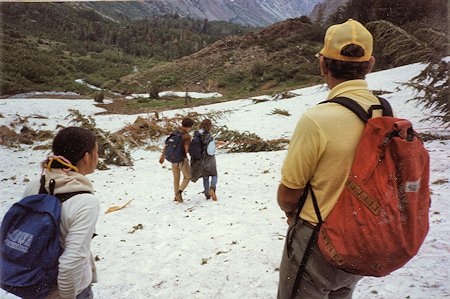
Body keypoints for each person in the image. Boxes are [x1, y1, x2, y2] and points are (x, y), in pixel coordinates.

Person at [277, 19, 380, 298]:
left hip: (318, 240)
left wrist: (290, 214)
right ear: (370, 64)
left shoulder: (317, 119)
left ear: (323, 65)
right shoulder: (385, 112)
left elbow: (289, 193)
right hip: (364, 238)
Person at [22, 127, 100, 299]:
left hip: (33, 282)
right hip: (68, 290)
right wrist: (66, 295)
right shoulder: (85, 201)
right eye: (96, 152)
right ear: (87, 157)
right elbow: (72, 260)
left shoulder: (36, 184)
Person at [159, 117, 194, 202]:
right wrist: (186, 158)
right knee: (188, 177)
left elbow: (167, 145)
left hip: (172, 159)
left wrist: (162, 156)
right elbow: (186, 148)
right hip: (181, 159)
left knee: (176, 178)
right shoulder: (186, 136)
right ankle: (179, 192)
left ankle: (176, 197)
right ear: (190, 126)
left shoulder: (174, 132)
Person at [190, 119, 223, 201]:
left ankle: (207, 194)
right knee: (214, 174)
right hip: (210, 158)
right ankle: (212, 188)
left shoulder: (197, 134)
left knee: (205, 176)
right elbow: (210, 146)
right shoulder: (209, 136)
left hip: (201, 159)